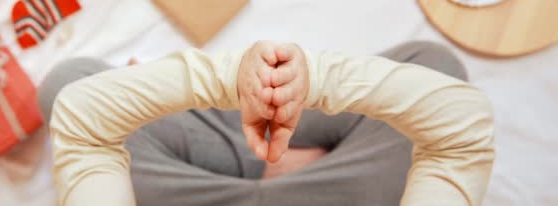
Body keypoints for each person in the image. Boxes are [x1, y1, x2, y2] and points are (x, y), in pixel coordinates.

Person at [38, 41, 494, 206]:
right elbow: (463, 127)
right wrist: (313, 82)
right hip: (337, 196)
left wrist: (227, 80)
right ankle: (275, 155)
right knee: (435, 67)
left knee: (64, 88)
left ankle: (260, 155)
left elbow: (80, 115)